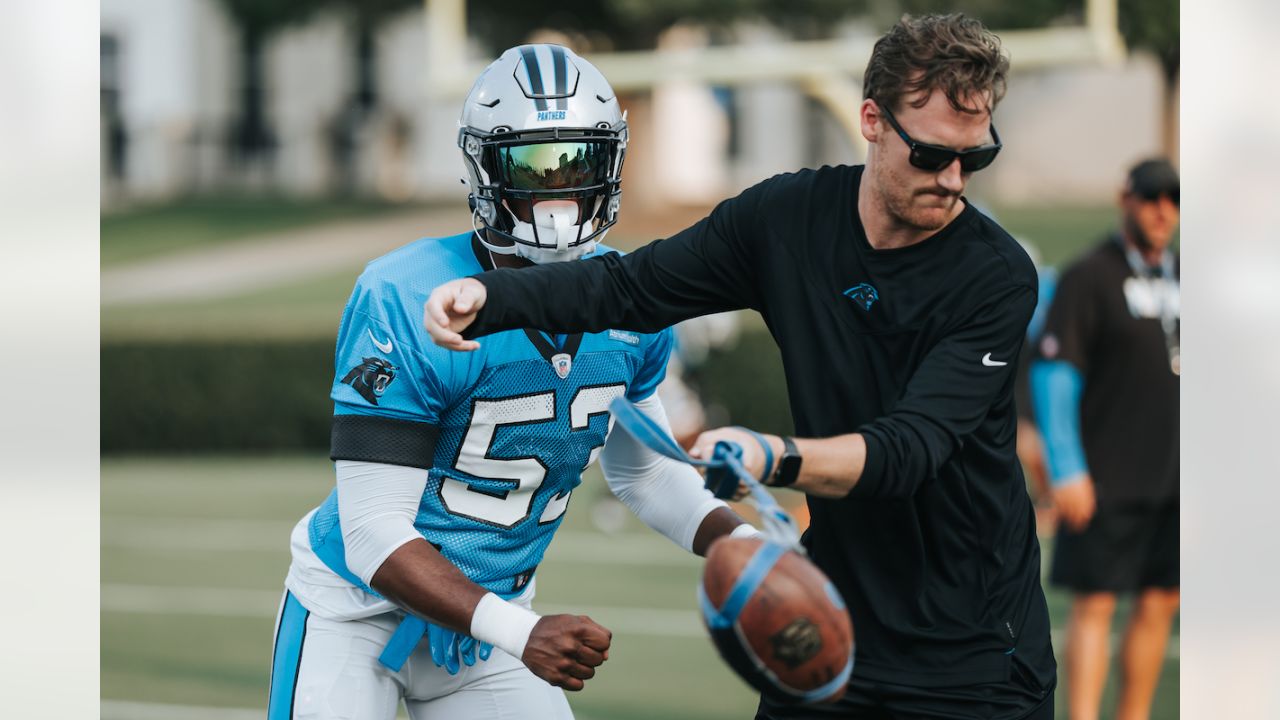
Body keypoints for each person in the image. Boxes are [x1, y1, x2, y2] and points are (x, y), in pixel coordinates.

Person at [426, 13, 1057, 720]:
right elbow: (628, 288)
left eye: (975, 159)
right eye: (932, 154)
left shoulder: (996, 274)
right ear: (873, 120)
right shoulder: (786, 219)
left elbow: (909, 451)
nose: (953, 179)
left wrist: (769, 453)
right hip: (827, 629)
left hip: (975, 656)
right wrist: (490, 295)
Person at [268, 44, 755, 720]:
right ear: (483, 169)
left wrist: (744, 546)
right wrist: (521, 632)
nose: (556, 189)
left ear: (610, 164)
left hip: (486, 626)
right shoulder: (405, 293)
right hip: (357, 610)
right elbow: (375, 534)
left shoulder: (634, 301)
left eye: (575, 162)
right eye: (530, 165)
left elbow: (644, 473)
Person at [1030, 159, 1180, 720]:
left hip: (1174, 477)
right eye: (1151, 197)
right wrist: (1067, 468)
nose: (1163, 210)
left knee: (1162, 600)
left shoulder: (1184, 276)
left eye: (1173, 199)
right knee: (1095, 605)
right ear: (1126, 199)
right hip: (1106, 476)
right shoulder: (1090, 275)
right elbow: (1054, 373)